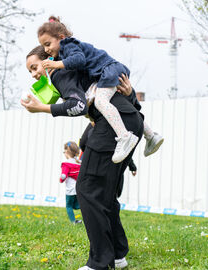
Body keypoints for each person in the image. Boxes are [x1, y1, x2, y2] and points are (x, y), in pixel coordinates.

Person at [22, 45, 144, 270]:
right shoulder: (81, 68)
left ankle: (100, 262)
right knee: (105, 194)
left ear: (49, 59)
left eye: (34, 67)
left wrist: (42, 108)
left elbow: (77, 106)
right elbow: (125, 102)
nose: (33, 74)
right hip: (132, 121)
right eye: (29, 71)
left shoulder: (60, 73)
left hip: (114, 127)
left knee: (88, 189)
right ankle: (117, 255)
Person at [37, 16, 163, 162]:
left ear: (61, 37)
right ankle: (151, 136)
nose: (46, 49)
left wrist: (56, 65)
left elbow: (78, 60)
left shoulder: (68, 44)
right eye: (43, 46)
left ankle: (124, 137)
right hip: (108, 71)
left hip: (108, 70)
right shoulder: (65, 50)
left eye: (48, 44)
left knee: (101, 102)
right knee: (116, 105)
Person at [60, 141, 82, 224]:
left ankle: (73, 222)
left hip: (70, 189)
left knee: (69, 206)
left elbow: (64, 176)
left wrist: (61, 179)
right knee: (77, 205)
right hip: (79, 188)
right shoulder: (79, 163)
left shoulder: (66, 164)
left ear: (66, 152)